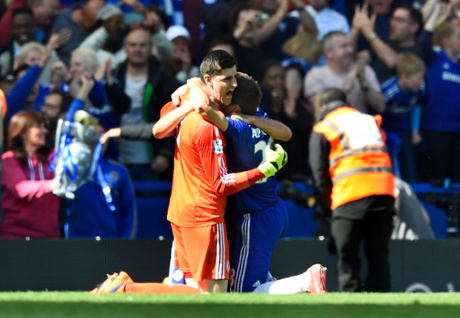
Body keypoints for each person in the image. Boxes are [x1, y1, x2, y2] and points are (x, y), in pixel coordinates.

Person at [91, 50, 288, 294]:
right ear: (208, 81)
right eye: (227, 79)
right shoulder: (210, 125)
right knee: (216, 297)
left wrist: (190, 92)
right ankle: (126, 289)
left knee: (187, 289)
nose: (233, 84)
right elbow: (221, 184)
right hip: (206, 215)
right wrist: (263, 170)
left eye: (234, 78)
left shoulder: (188, 103)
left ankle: (127, 290)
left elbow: (158, 130)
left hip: (181, 211)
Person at [187, 73, 326, 294]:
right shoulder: (256, 115)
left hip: (255, 217)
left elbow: (203, 109)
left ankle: (305, 281)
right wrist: (252, 119)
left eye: (229, 94)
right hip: (272, 208)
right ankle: (280, 286)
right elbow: (286, 132)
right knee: (251, 282)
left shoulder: (237, 127)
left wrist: (194, 85)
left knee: (244, 293)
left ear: (235, 108)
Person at [309, 87, 396, 292]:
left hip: (350, 194)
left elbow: (319, 176)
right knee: (378, 257)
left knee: (347, 260)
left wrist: (328, 210)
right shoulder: (370, 121)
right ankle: (383, 309)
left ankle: (352, 307)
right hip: (384, 192)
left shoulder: (324, 127)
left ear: (322, 106)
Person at [0, 110, 61, 239]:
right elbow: (21, 189)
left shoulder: (52, 156)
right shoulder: (10, 159)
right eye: (39, 127)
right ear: (22, 132)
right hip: (16, 235)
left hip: (49, 235)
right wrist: (51, 185)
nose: (45, 131)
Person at [380, 53, 426, 182]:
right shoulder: (389, 91)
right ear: (404, 77)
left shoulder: (420, 88)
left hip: (404, 133)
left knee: (409, 168)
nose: (422, 82)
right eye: (418, 78)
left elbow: (417, 106)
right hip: (387, 134)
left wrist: (415, 130)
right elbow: (376, 111)